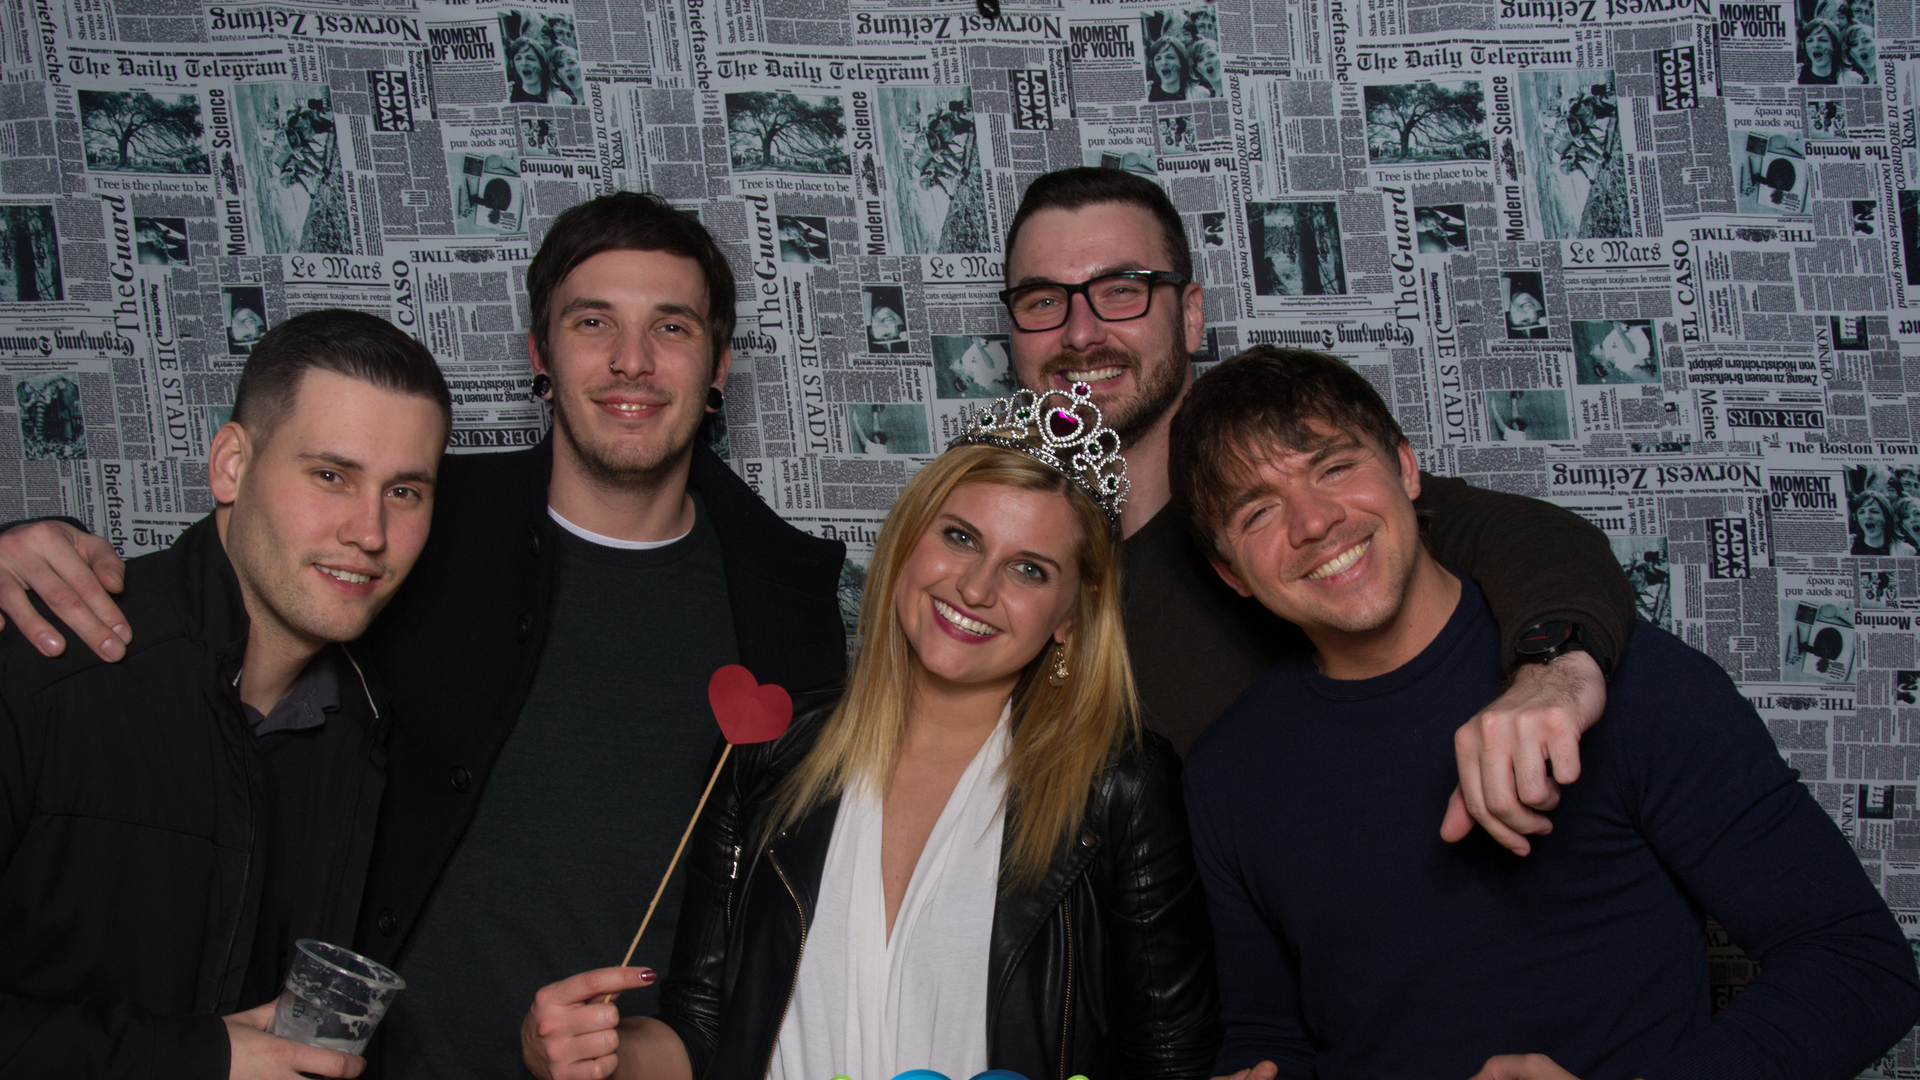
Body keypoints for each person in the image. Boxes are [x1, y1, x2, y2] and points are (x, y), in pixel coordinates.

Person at [0, 192, 848, 1080]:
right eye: (593, 321)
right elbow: (248, 569)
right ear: (540, 353)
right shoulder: (420, 526)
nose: (630, 360)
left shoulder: (784, 604)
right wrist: (31, 549)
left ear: (717, 365)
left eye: (671, 327)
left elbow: (761, 931)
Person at [1171, 347, 1920, 1080]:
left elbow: (1857, 962)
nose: (1312, 521)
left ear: (1405, 467)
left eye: (1334, 467)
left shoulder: (1616, 681)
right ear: (1230, 572)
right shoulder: (1227, 772)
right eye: (1258, 511)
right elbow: (1269, 1032)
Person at [521, 388, 1216, 1080]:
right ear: (910, 538)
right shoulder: (768, 750)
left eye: (1029, 570)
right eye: (960, 537)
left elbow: (1170, 1063)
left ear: (1071, 614)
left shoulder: (1121, 787)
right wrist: (599, 1055)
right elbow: (703, 1028)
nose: (976, 589)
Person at [998, 167, 1633, 856]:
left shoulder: (1302, 512)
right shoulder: (998, 554)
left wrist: (1553, 672)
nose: (1081, 333)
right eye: (1043, 301)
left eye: (1121, 290)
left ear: (1190, 314)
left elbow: (1533, 538)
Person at [0, 309, 452, 1079]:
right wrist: (200, 1060)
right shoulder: (46, 667)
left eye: (404, 491)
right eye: (331, 476)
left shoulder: (365, 725)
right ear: (231, 466)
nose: (370, 532)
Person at [1850, 487, 1898, 554]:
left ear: (1886, 517)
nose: (1867, 516)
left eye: (1874, 511)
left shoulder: (1905, 550)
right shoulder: (1849, 545)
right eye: (1861, 512)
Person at [1147, 37, 1195, 101]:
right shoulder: (1146, 91)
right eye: (1158, 58)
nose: (1164, 63)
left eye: (1170, 57)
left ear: (1181, 61)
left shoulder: (1200, 93)